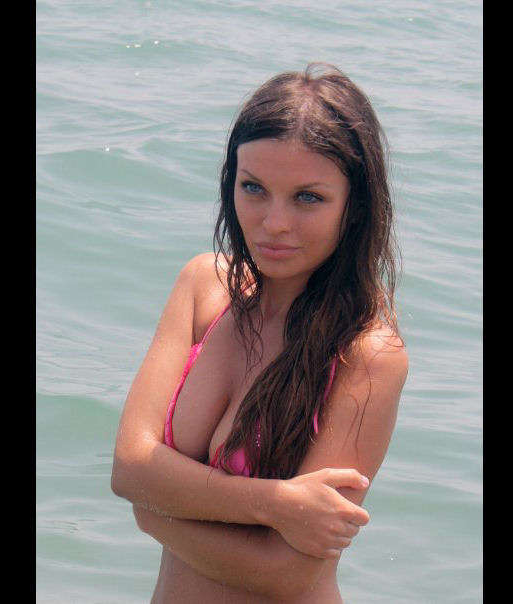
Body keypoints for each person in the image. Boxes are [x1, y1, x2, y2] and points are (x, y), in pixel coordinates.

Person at [111, 63, 408, 603]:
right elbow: (130, 468)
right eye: (254, 188)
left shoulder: (366, 354)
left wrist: (154, 512)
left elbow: (285, 575)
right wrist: (276, 504)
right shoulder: (202, 288)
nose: (274, 223)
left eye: (307, 197)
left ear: (356, 206)